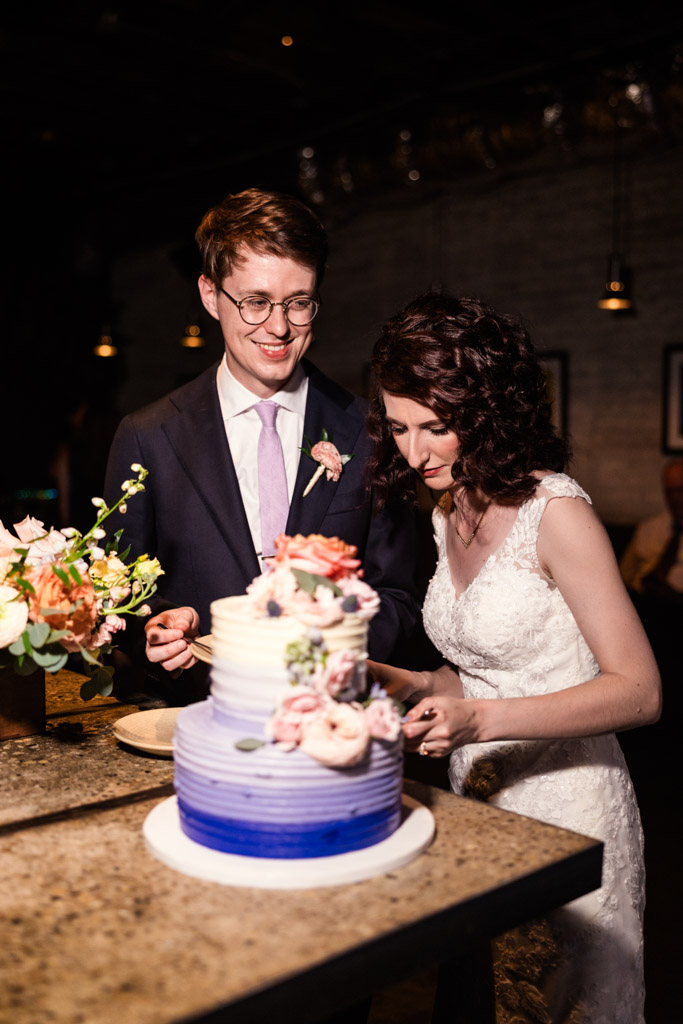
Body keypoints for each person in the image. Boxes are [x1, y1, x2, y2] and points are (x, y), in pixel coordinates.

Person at [365, 292, 661, 1023]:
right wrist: (399, 680)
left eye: (436, 426)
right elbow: (475, 673)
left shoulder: (555, 513)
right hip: (480, 811)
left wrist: (478, 720)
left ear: (488, 412)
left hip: (570, 812)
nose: (415, 452)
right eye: (399, 427)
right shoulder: (445, 511)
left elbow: (639, 691)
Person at [103, 188, 422, 705]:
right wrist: (154, 631)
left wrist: (326, 640)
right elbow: (115, 598)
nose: (279, 327)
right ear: (210, 295)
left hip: (330, 722)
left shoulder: (371, 431)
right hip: (193, 719)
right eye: (255, 302)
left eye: (299, 303)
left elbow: (402, 601)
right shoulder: (147, 435)